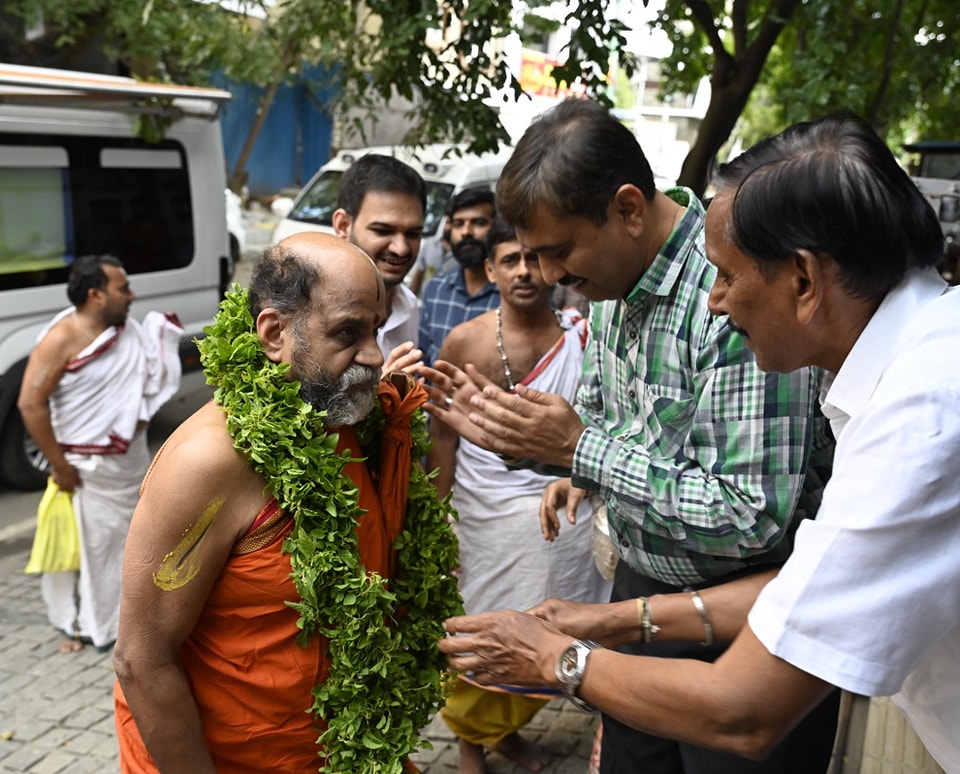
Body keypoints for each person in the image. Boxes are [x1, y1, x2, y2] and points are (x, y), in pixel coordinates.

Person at [438, 113, 960, 773]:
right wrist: (612, 622)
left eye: (728, 277)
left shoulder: (921, 413)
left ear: (803, 280)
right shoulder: (910, 367)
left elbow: (743, 707)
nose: (715, 302)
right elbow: (800, 584)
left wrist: (553, 658)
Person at [112, 233, 461, 772]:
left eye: (376, 330)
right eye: (348, 332)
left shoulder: (340, 417)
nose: (372, 356)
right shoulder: (209, 460)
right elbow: (141, 660)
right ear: (274, 333)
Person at [428, 219, 610, 773]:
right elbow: (443, 429)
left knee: (557, 619)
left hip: (566, 506)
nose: (526, 272)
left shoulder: (585, 335)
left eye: (535, 259)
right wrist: (439, 517)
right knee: (487, 619)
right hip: (486, 513)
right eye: (511, 261)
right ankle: (467, 741)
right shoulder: (467, 340)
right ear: (490, 270)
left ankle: (505, 730)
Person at [17, 254, 182, 654]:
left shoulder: (130, 331)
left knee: (132, 544)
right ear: (95, 295)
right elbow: (30, 404)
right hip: (85, 470)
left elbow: (147, 384)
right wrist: (59, 465)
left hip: (130, 462)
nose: (131, 295)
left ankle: (133, 621)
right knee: (91, 550)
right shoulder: (62, 338)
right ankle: (82, 624)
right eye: (122, 288)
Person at [331, 152, 426, 369]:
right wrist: (378, 395)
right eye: (383, 231)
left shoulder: (408, 307)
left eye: (413, 234)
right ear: (343, 225)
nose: (400, 249)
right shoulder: (310, 309)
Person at [419, 187, 500, 366]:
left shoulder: (513, 295)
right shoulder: (435, 290)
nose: (466, 232)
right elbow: (421, 360)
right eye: (459, 224)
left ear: (497, 227)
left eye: (479, 222)